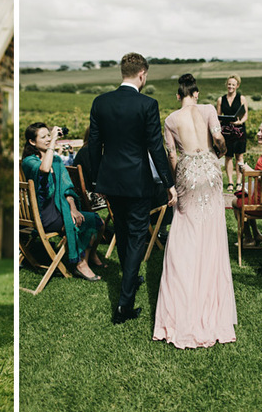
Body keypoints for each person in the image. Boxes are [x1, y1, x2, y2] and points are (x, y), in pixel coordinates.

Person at [88, 52, 177, 325]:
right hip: (138, 182)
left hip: (111, 181)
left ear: (122, 72)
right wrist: (169, 183)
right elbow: (155, 147)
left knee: (125, 231)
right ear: (142, 74)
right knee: (137, 235)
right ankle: (124, 306)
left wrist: (95, 181)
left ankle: (131, 275)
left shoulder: (100, 102)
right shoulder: (147, 104)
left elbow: (94, 144)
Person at [153, 73, 237, 349]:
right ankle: (210, 300)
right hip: (211, 171)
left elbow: (172, 156)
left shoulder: (170, 120)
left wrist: (175, 185)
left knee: (184, 233)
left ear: (178, 96)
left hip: (188, 172)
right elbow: (218, 138)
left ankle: (183, 300)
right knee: (211, 232)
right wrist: (219, 154)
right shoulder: (210, 109)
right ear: (196, 93)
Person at [21, 122, 105, 281]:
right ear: (32, 142)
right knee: (79, 224)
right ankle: (80, 264)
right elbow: (44, 169)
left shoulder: (57, 161)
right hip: (44, 215)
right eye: (43, 137)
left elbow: (68, 189)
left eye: (49, 135)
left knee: (98, 221)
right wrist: (53, 141)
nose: (47, 139)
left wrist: (73, 208)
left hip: (60, 209)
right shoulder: (29, 161)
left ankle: (90, 255)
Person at [216, 74, 248, 192]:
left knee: (239, 156)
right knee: (228, 156)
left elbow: (245, 115)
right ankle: (230, 182)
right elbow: (218, 116)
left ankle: (239, 182)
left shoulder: (242, 98)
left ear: (237, 86)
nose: (230, 86)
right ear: (226, 85)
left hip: (239, 130)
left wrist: (240, 122)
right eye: (229, 84)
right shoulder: (221, 99)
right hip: (227, 131)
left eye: (233, 85)